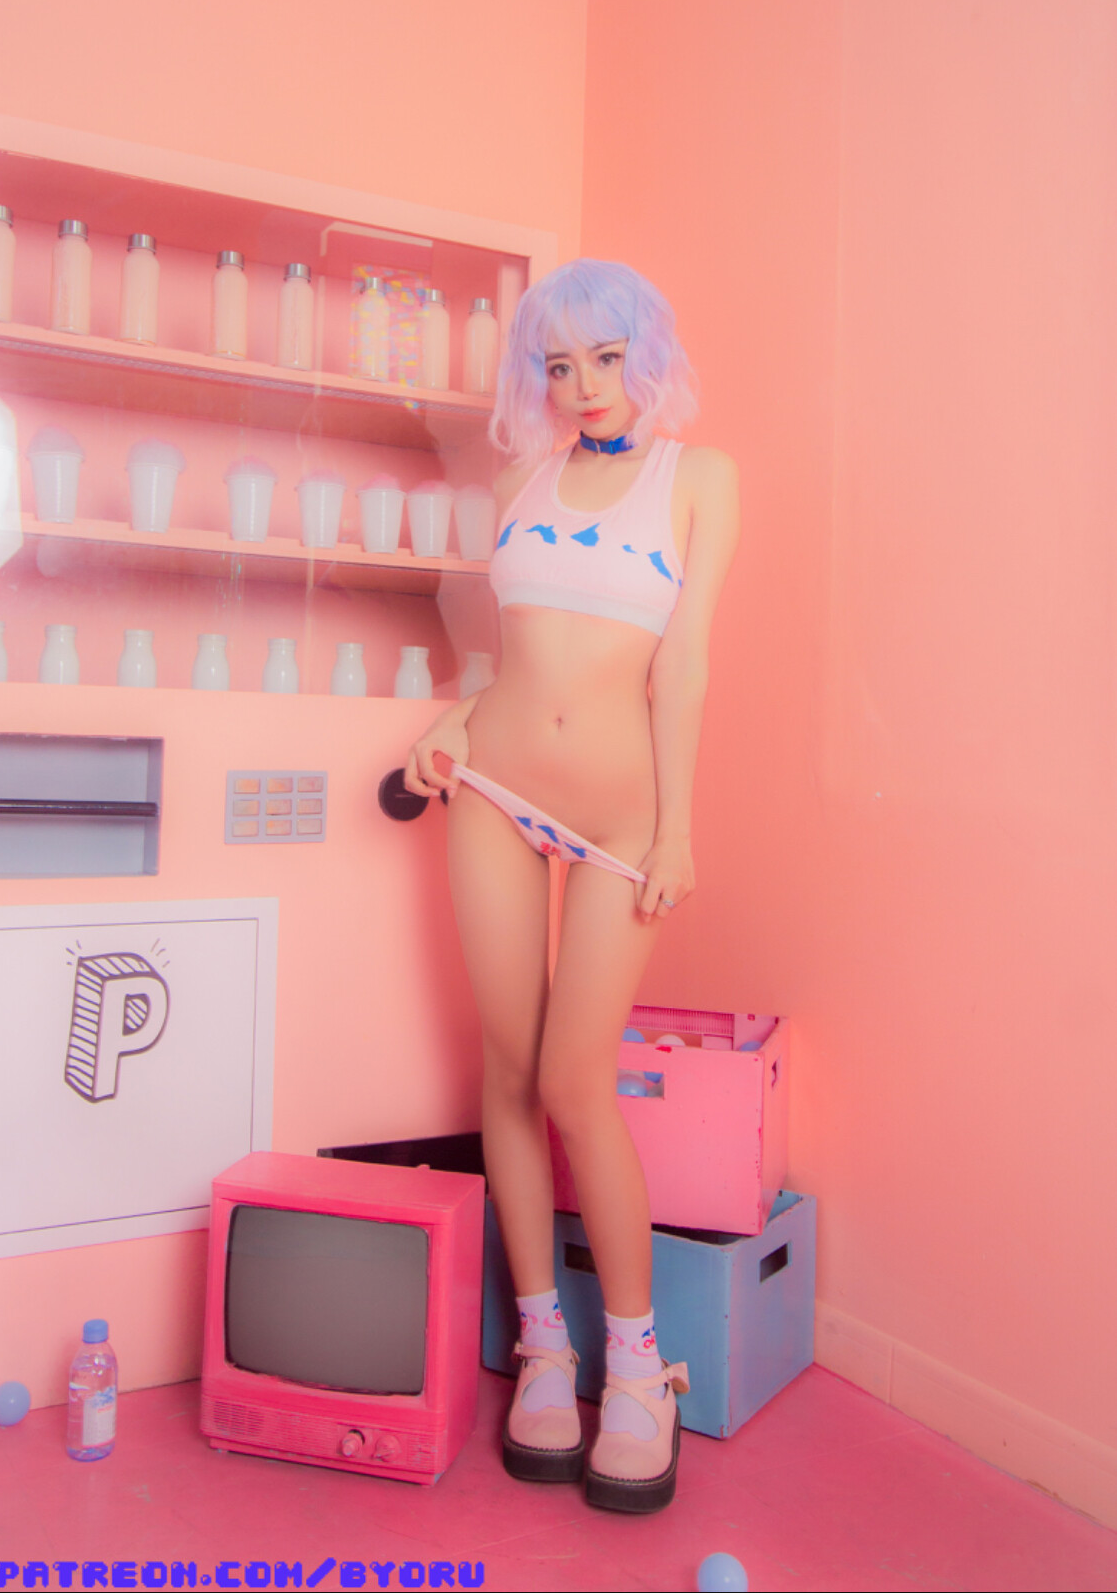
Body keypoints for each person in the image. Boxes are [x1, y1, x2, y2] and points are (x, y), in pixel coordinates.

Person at [404, 258, 739, 1513]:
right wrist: (455, 717)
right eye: (559, 365)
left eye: (606, 358)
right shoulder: (519, 483)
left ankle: (641, 1372)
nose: (585, 386)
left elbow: (683, 666)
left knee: (572, 1083)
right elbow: (507, 657)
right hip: (493, 785)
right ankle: (546, 1348)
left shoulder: (700, 480)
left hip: (620, 820)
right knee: (504, 1071)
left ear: (646, 355)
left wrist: (678, 830)